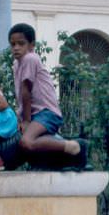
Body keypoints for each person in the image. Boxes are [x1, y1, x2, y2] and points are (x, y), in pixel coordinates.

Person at [8, 23, 87, 168]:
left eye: (21, 43)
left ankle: (74, 146)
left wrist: (26, 121)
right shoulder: (16, 64)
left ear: (32, 45)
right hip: (35, 113)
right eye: (13, 44)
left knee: (27, 142)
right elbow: (20, 93)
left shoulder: (30, 58)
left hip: (46, 112)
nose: (16, 48)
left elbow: (26, 91)